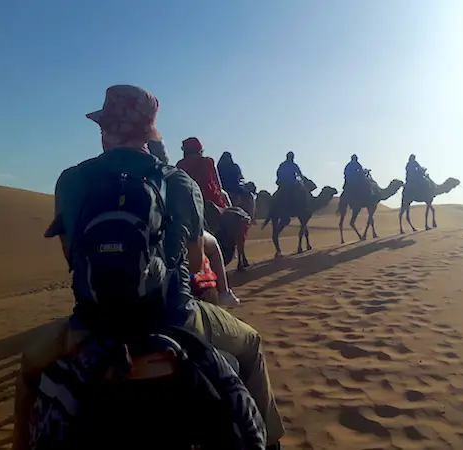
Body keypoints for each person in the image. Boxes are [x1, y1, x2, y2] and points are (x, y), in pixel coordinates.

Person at [14, 85, 285, 449]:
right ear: (149, 131)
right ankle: (271, 441)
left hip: (91, 324)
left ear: (105, 130)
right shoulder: (180, 181)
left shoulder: (73, 179)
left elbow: (71, 257)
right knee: (250, 343)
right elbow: (192, 262)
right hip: (178, 317)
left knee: (31, 367)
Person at [149, 140, 241, 306]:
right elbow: (217, 185)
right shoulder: (205, 162)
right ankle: (224, 292)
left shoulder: (179, 164)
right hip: (202, 202)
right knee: (214, 242)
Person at [176, 137, 230, 208]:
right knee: (229, 209)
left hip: (186, 199)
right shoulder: (207, 161)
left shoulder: (180, 164)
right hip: (209, 196)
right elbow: (217, 182)